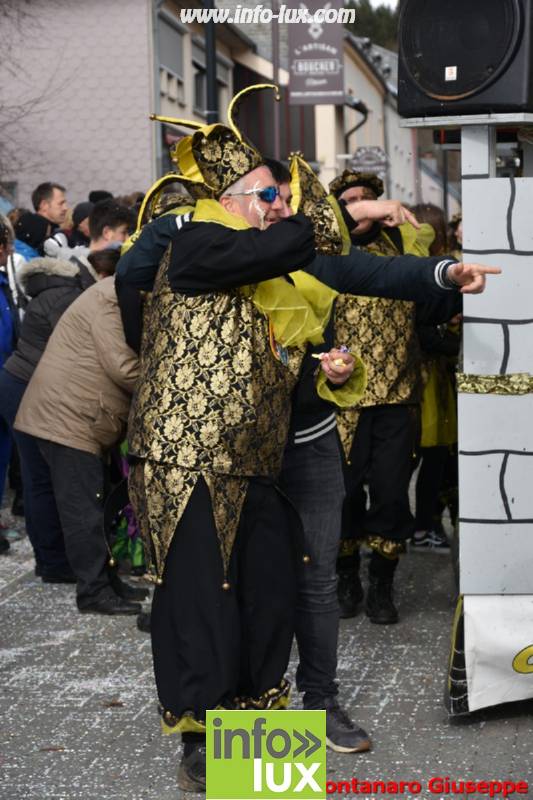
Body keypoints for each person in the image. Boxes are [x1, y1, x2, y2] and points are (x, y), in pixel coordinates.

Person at [327, 171, 460, 625]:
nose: (361, 205)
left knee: (391, 494)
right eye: (350, 200)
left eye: (367, 198)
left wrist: (451, 289)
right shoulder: (328, 254)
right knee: (343, 495)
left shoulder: (402, 248)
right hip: (341, 400)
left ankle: (382, 584)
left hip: (397, 395)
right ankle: (347, 577)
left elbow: (428, 310)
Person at [14, 274, 146, 615]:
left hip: (80, 416)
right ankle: (94, 592)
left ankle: (107, 581)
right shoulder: (109, 300)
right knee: (84, 512)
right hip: (68, 419)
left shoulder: (117, 294)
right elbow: (122, 367)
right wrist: (168, 383)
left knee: (97, 507)